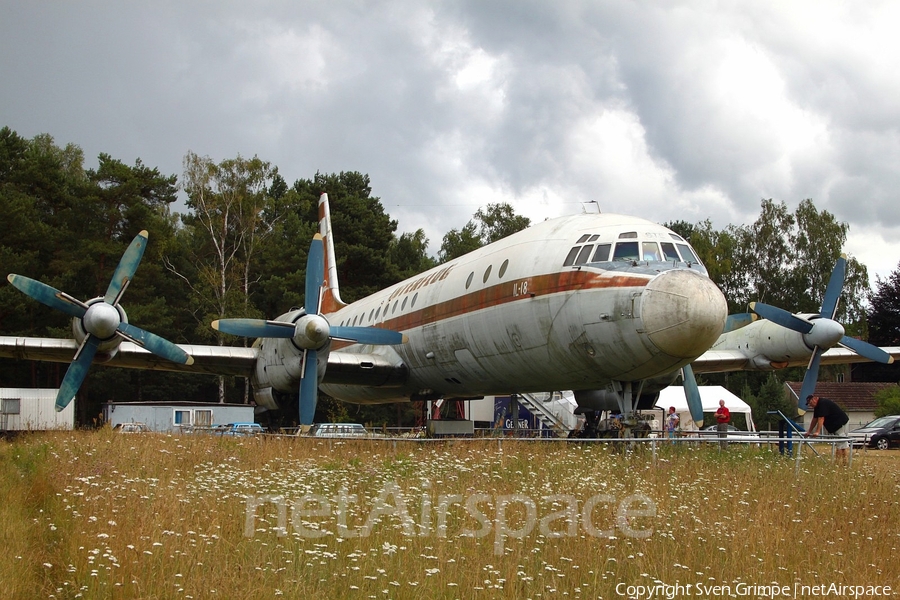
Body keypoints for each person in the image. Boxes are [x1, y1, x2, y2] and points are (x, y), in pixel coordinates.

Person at [805, 394, 850, 463]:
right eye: (809, 404)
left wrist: (817, 431)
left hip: (840, 424)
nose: (810, 405)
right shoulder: (817, 407)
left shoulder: (822, 404)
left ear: (814, 399)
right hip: (834, 427)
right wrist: (809, 431)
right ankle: (844, 462)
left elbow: (821, 418)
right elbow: (815, 419)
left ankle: (838, 463)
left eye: (810, 403)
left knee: (841, 444)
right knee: (841, 444)